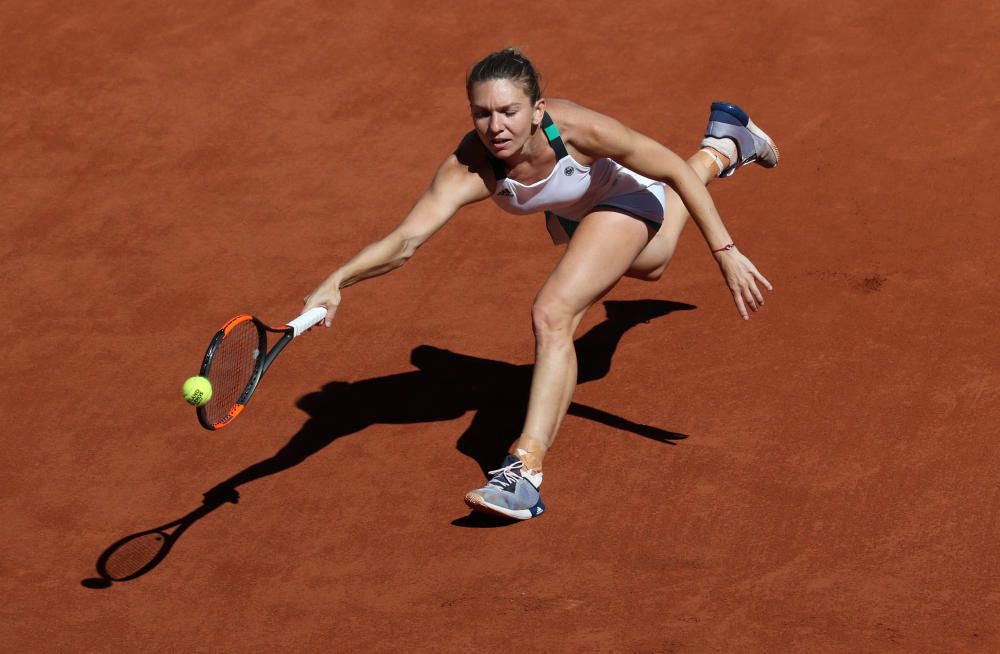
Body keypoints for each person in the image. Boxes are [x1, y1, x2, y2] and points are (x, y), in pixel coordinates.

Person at [303, 48, 778, 520]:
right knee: (654, 263)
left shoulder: (577, 129)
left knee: (554, 312)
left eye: (509, 112)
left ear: (537, 110)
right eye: (482, 114)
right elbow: (406, 240)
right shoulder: (470, 165)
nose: (496, 127)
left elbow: (670, 167)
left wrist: (725, 251)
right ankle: (724, 145)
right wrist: (337, 280)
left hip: (624, 198)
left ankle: (524, 471)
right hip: (577, 215)